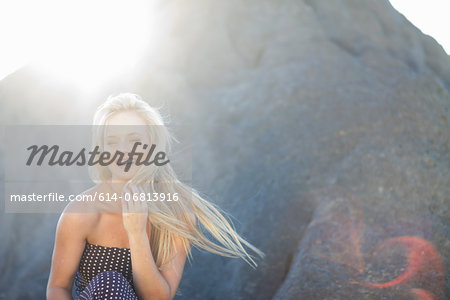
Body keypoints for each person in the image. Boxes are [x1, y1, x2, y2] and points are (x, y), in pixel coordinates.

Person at [46, 93, 265, 300]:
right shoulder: (82, 211)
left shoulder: (178, 210)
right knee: (110, 283)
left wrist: (137, 231)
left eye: (134, 140)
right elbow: (58, 287)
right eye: (112, 142)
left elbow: (158, 297)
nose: (123, 150)